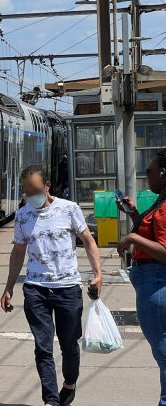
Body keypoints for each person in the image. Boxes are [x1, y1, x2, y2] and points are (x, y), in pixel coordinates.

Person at [1, 164, 102, 406]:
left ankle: (69, 382)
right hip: (36, 288)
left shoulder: (69, 209)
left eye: (35, 190)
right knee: (43, 347)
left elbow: (88, 241)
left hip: (67, 288)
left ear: (47, 186)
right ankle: (51, 400)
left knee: (69, 345)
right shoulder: (23, 216)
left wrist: (98, 274)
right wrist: (9, 287)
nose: (31, 197)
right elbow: (17, 253)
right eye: (26, 192)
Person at [117, 149, 166, 406]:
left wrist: (132, 237)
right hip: (152, 280)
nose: (146, 176)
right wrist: (135, 216)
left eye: (149, 171)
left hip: (157, 282)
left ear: (163, 173)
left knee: (164, 353)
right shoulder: (161, 202)